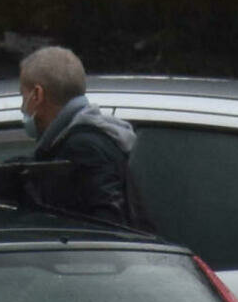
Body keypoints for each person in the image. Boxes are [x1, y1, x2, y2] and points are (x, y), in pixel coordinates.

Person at [14, 45, 145, 227]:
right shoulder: (82, 139)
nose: (22, 107)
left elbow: (106, 226)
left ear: (37, 95)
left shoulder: (82, 148)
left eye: (23, 96)